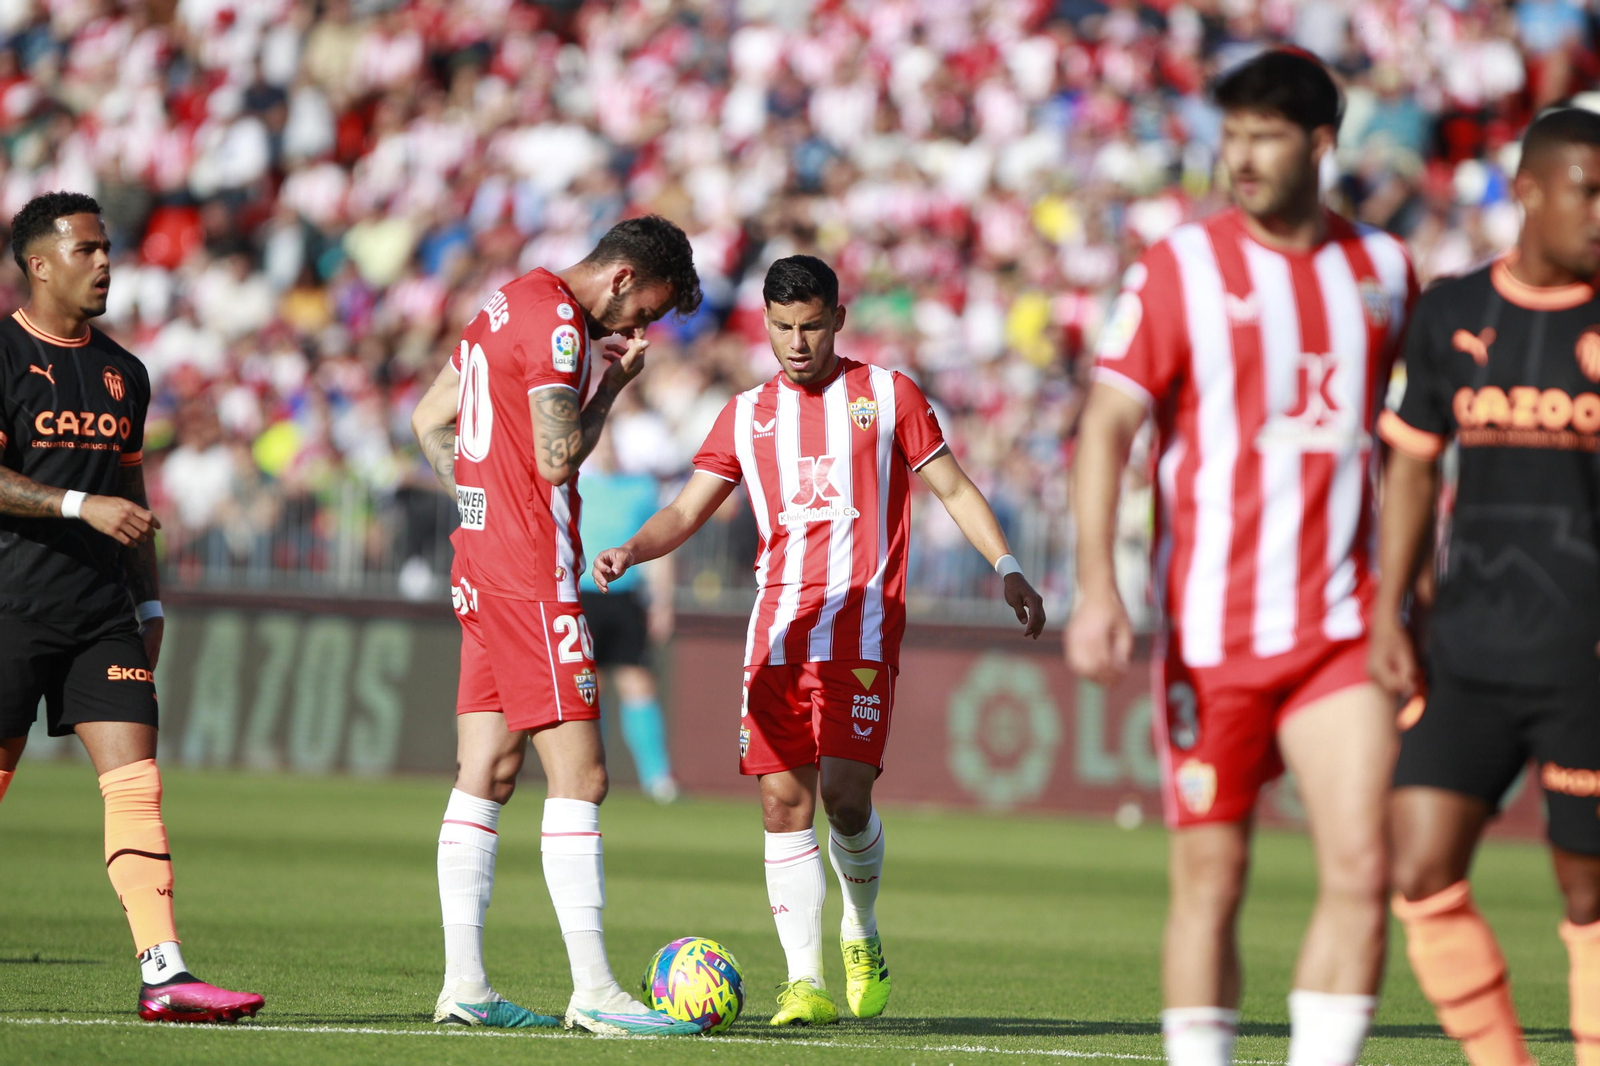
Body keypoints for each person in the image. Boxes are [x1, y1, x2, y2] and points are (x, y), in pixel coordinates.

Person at [1064, 51, 1416, 1066]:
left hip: (1340, 630)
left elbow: (1410, 452)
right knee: (1210, 881)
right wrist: (1097, 586)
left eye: (1264, 135)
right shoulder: (1180, 268)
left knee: (1360, 864)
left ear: (1318, 144)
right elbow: (1105, 427)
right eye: (1230, 135)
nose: (1241, 157)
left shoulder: (1386, 272)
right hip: (1212, 632)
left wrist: (1402, 598)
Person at [591, 255, 1046, 1027]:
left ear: (838, 317)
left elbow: (956, 488)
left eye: (809, 327)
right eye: (781, 329)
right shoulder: (746, 414)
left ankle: (860, 930)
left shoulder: (887, 396)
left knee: (843, 793)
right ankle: (804, 980)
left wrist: (1006, 566)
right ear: (764, 325)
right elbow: (689, 508)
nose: (796, 344)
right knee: (780, 801)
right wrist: (633, 549)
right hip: (776, 632)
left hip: (862, 625)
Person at [408, 215, 704, 1036]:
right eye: (650, 306)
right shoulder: (560, 327)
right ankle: (597, 992)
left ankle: (464, 985)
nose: (644, 325)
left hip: (480, 566)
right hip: (533, 575)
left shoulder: (504, 302)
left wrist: (479, 506)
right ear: (621, 278)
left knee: (488, 772)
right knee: (583, 778)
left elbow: (429, 422)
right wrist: (612, 389)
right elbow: (557, 459)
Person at [1371, 106, 1600, 1066]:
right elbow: (1413, 467)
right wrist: (1392, 608)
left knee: (1588, 896)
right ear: (1531, 193)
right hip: (1468, 648)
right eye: (1590, 193)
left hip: (1586, 656)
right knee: (1419, 870)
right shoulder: (1452, 312)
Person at [0, 192, 264, 1023]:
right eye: (86, 250)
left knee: (138, 787)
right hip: (9, 605)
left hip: (101, 611)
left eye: (107, 248)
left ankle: (165, 972)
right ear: (38, 263)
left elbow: (132, 490)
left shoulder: (126, 371)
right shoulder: (3, 351)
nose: (105, 262)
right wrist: (82, 508)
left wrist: (148, 598)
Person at [577, 429, 678, 803]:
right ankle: (588, 768)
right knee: (589, 688)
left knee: (637, 683)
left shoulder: (640, 489)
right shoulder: (579, 487)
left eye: (610, 443)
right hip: (584, 595)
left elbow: (662, 547)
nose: (605, 450)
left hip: (626, 597)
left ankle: (657, 778)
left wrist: (662, 602)